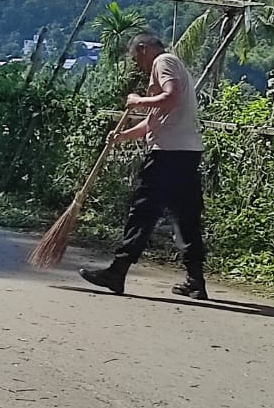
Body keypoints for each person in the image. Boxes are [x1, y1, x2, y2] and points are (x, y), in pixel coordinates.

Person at [79, 31, 208, 300]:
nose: (139, 65)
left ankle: (117, 271)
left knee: (143, 211)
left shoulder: (163, 62)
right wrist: (122, 136)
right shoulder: (173, 65)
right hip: (186, 153)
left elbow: (171, 97)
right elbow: (155, 120)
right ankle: (196, 280)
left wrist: (138, 101)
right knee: (186, 217)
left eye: (136, 58)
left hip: (167, 155)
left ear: (143, 49)